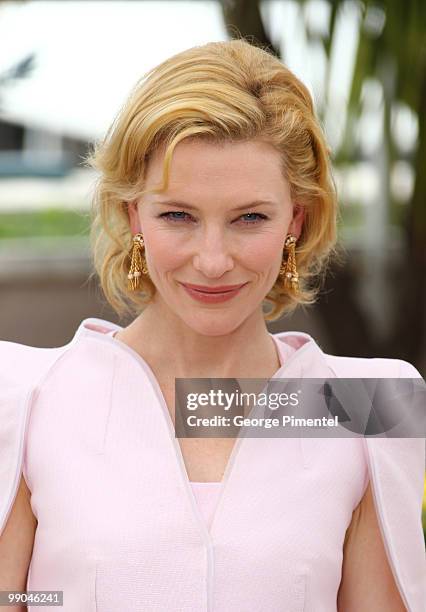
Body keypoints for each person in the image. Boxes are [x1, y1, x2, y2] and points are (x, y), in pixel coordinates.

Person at [0, 39, 424, 612]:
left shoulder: (364, 406)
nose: (213, 259)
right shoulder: (28, 395)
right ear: (134, 215)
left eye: (250, 217)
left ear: (295, 219)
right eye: (178, 215)